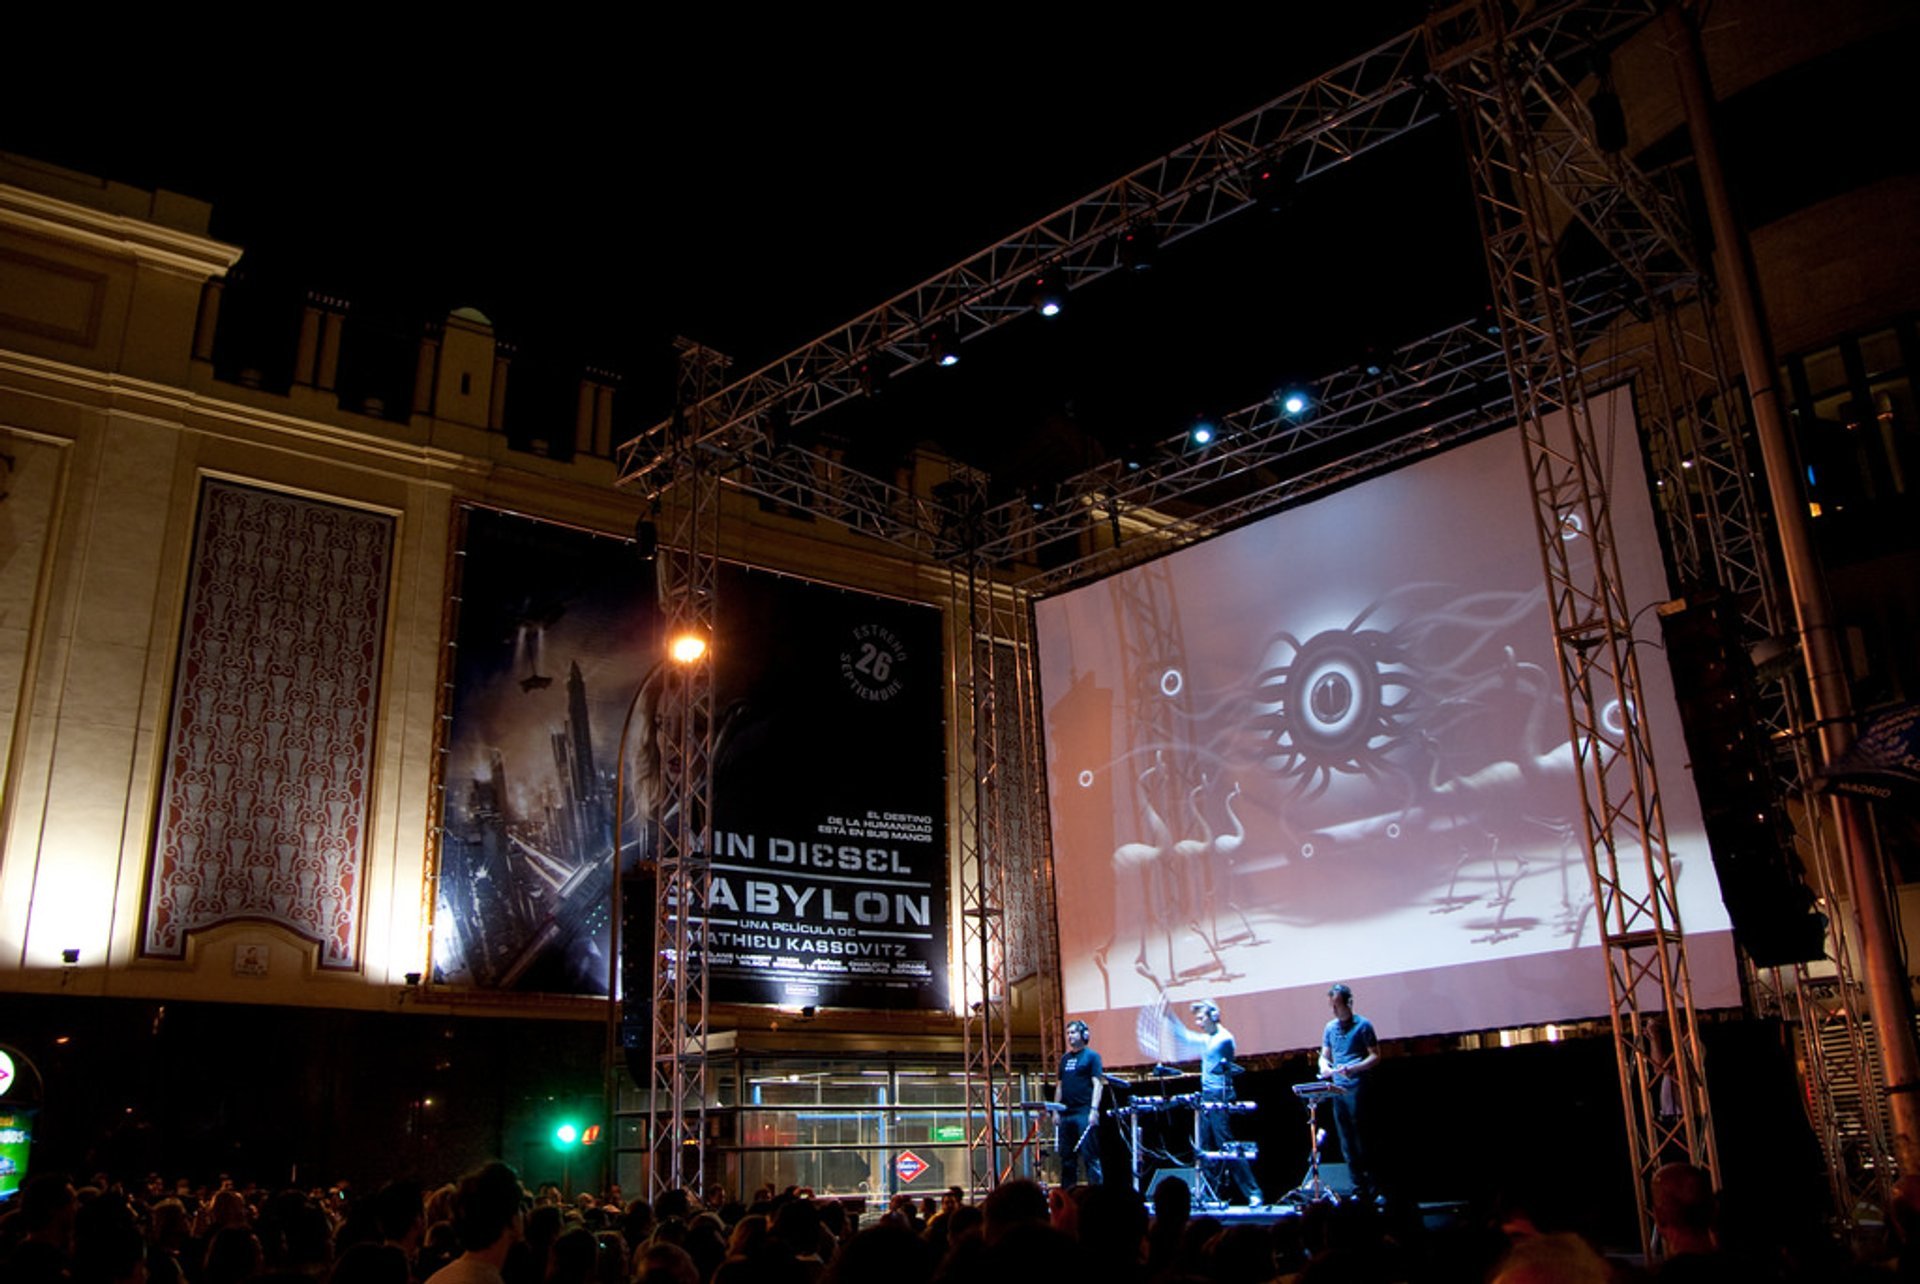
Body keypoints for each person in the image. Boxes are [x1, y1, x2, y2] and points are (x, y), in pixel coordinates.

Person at [1190, 1000, 1263, 1208]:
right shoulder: (1208, 1038)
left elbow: (1193, 1041)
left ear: (1214, 1016)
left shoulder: (1223, 1039)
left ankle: (1253, 1191)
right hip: (1206, 1095)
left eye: (1202, 1017)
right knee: (1204, 1146)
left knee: (1225, 1145)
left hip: (1219, 1096)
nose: (1199, 1023)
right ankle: (1209, 1193)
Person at [1317, 982, 1379, 1200]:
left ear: (1349, 1003)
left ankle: (1373, 1189)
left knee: (1362, 1138)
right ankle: (1358, 1188)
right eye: (1332, 1007)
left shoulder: (1363, 1025)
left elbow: (1374, 1056)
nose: (1335, 1011)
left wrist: (1353, 1068)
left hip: (1358, 1087)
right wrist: (1324, 1066)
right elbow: (1325, 1055)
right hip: (1338, 1089)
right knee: (1346, 1141)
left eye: (1338, 1006)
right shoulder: (1330, 1028)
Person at [1055, 1019, 1104, 1187]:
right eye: (1068, 1033)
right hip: (1066, 1113)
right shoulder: (1065, 1059)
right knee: (1067, 1159)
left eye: (1073, 1032)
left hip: (1084, 1112)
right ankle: (1068, 1197)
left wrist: (1094, 1110)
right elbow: (1060, 1086)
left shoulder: (1092, 1057)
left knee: (1090, 1156)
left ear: (1084, 1034)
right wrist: (1055, 1111)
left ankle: (1096, 1197)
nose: (1070, 1036)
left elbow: (1098, 1084)